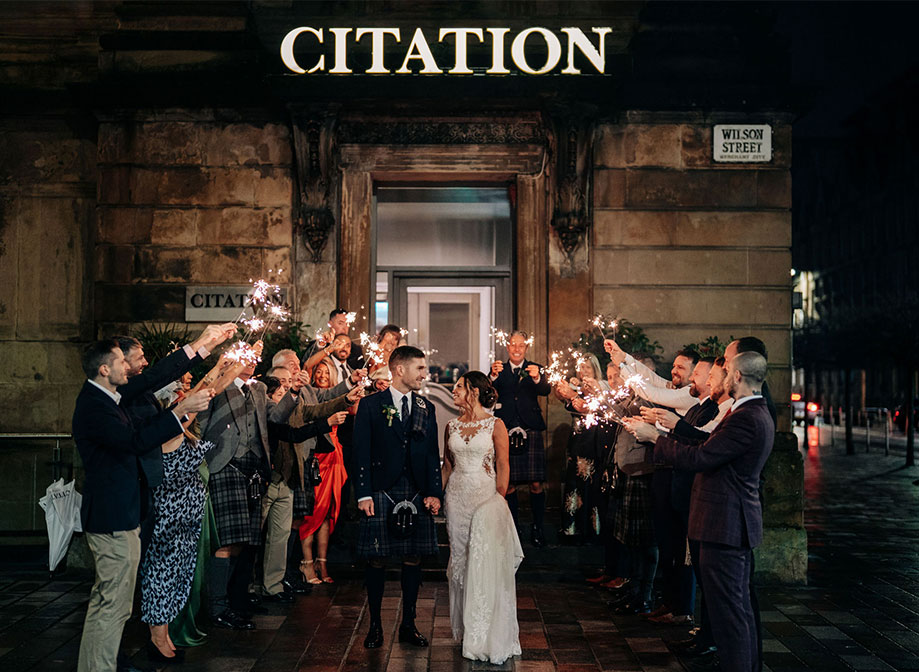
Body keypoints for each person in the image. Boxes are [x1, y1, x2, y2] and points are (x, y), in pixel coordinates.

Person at [72, 340, 212, 672]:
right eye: (121, 362)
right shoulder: (95, 406)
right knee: (112, 605)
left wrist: (202, 346)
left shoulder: (110, 399)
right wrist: (179, 411)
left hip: (123, 515)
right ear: (104, 369)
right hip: (112, 518)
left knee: (113, 605)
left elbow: (149, 388)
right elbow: (134, 441)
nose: (129, 368)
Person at [651, 352, 775, 672]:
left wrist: (656, 439)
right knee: (734, 611)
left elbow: (702, 457)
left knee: (730, 615)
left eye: (726, 370)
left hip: (726, 524)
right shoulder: (747, 411)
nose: (717, 377)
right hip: (724, 523)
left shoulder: (747, 416)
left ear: (737, 376)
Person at [353, 345, 442, 649]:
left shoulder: (426, 407)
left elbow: (431, 454)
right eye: (420, 368)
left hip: (415, 491)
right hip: (380, 490)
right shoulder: (370, 405)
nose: (424, 374)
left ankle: (408, 624)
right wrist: (363, 493)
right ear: (400, 369)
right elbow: (361, 452)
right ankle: (375, 626)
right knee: (376, 559)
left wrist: (434, 492)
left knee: (413, 558)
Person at [443, 371, 522, 664]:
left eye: (459, 387)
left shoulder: (495, 424)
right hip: (456, 499)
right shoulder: (451, 425)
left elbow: (503, 463)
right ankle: (469, 631)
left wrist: (499, 498)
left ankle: (488, 633)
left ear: (474, 391)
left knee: (484, 562)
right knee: (461, 562)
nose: (454, 391)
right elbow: (447, 466)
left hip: (485, 498)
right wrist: (435, 495)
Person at [489, 330, 551, 546]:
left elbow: (545, 390)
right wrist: (492, 377)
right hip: (505, 428)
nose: (517, 349)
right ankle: (513, 528)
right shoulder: (498, 369)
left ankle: (538, 527)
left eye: (521, 345)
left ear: (526, 347)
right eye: (513, 345)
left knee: (536, 483)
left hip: (530, 427)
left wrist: (536, 378)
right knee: (509, 483)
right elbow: (488, 393)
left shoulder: (535, 368)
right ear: (507, 347)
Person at [298, 361, 349, 584]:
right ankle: (306, 562)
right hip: (317, 458)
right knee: (313, 511)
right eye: (318, 371)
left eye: (327, 372)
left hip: (335, 457)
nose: (322, 375)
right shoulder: (307, 395)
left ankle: (322, 561)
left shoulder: (336, 397)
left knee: (328, 511)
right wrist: (326, 350)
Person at [554, 355, 609, 542]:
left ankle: (591, 529)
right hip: (576, 443)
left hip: (592, 442)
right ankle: (571, 529)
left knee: (591, 486)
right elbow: (562, 399)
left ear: (595, 370)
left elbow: (594, 409)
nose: (584, 371)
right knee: (573, 484)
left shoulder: (600, 389)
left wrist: (574, 394)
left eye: (588, 367)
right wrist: (567, 388)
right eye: (581, 367)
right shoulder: (575, 388)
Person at [300, 308, 364, 371]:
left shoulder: (355, 350)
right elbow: (305, 366)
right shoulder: (319, 345)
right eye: (340, 323)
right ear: (330, 324)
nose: (344, 328)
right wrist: (321, 345)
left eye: (347, 323)